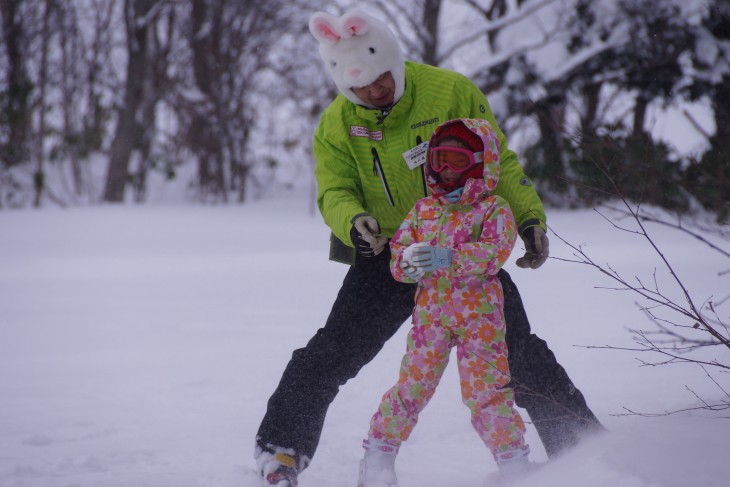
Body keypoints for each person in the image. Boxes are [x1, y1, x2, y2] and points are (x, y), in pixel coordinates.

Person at [255, 9, 603, 487]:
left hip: (464, 256)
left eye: (380, 80)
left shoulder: (449, 91)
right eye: (360, 88)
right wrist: (354, 222)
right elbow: (334, 189)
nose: (374, 92)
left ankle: (584, 450)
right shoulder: (337, 123)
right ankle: (281, 450)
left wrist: (529, 219)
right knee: (332, 352)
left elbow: (498, 157)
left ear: (394, 63)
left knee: (519, 354)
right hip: (388, 254)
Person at [358, 118, 531, 487]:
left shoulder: (494, 209)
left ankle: (513, 462)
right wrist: (406, 264)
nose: (445, 170)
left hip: (480, 320)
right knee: (412, 387)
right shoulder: (424, 210)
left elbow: (493, 253)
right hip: (430, 319)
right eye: (438, 160)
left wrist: (445, 258)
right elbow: (398, 256)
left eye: (456, 159)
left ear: (480, 162)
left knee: (487, 393)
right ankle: (379, 454)